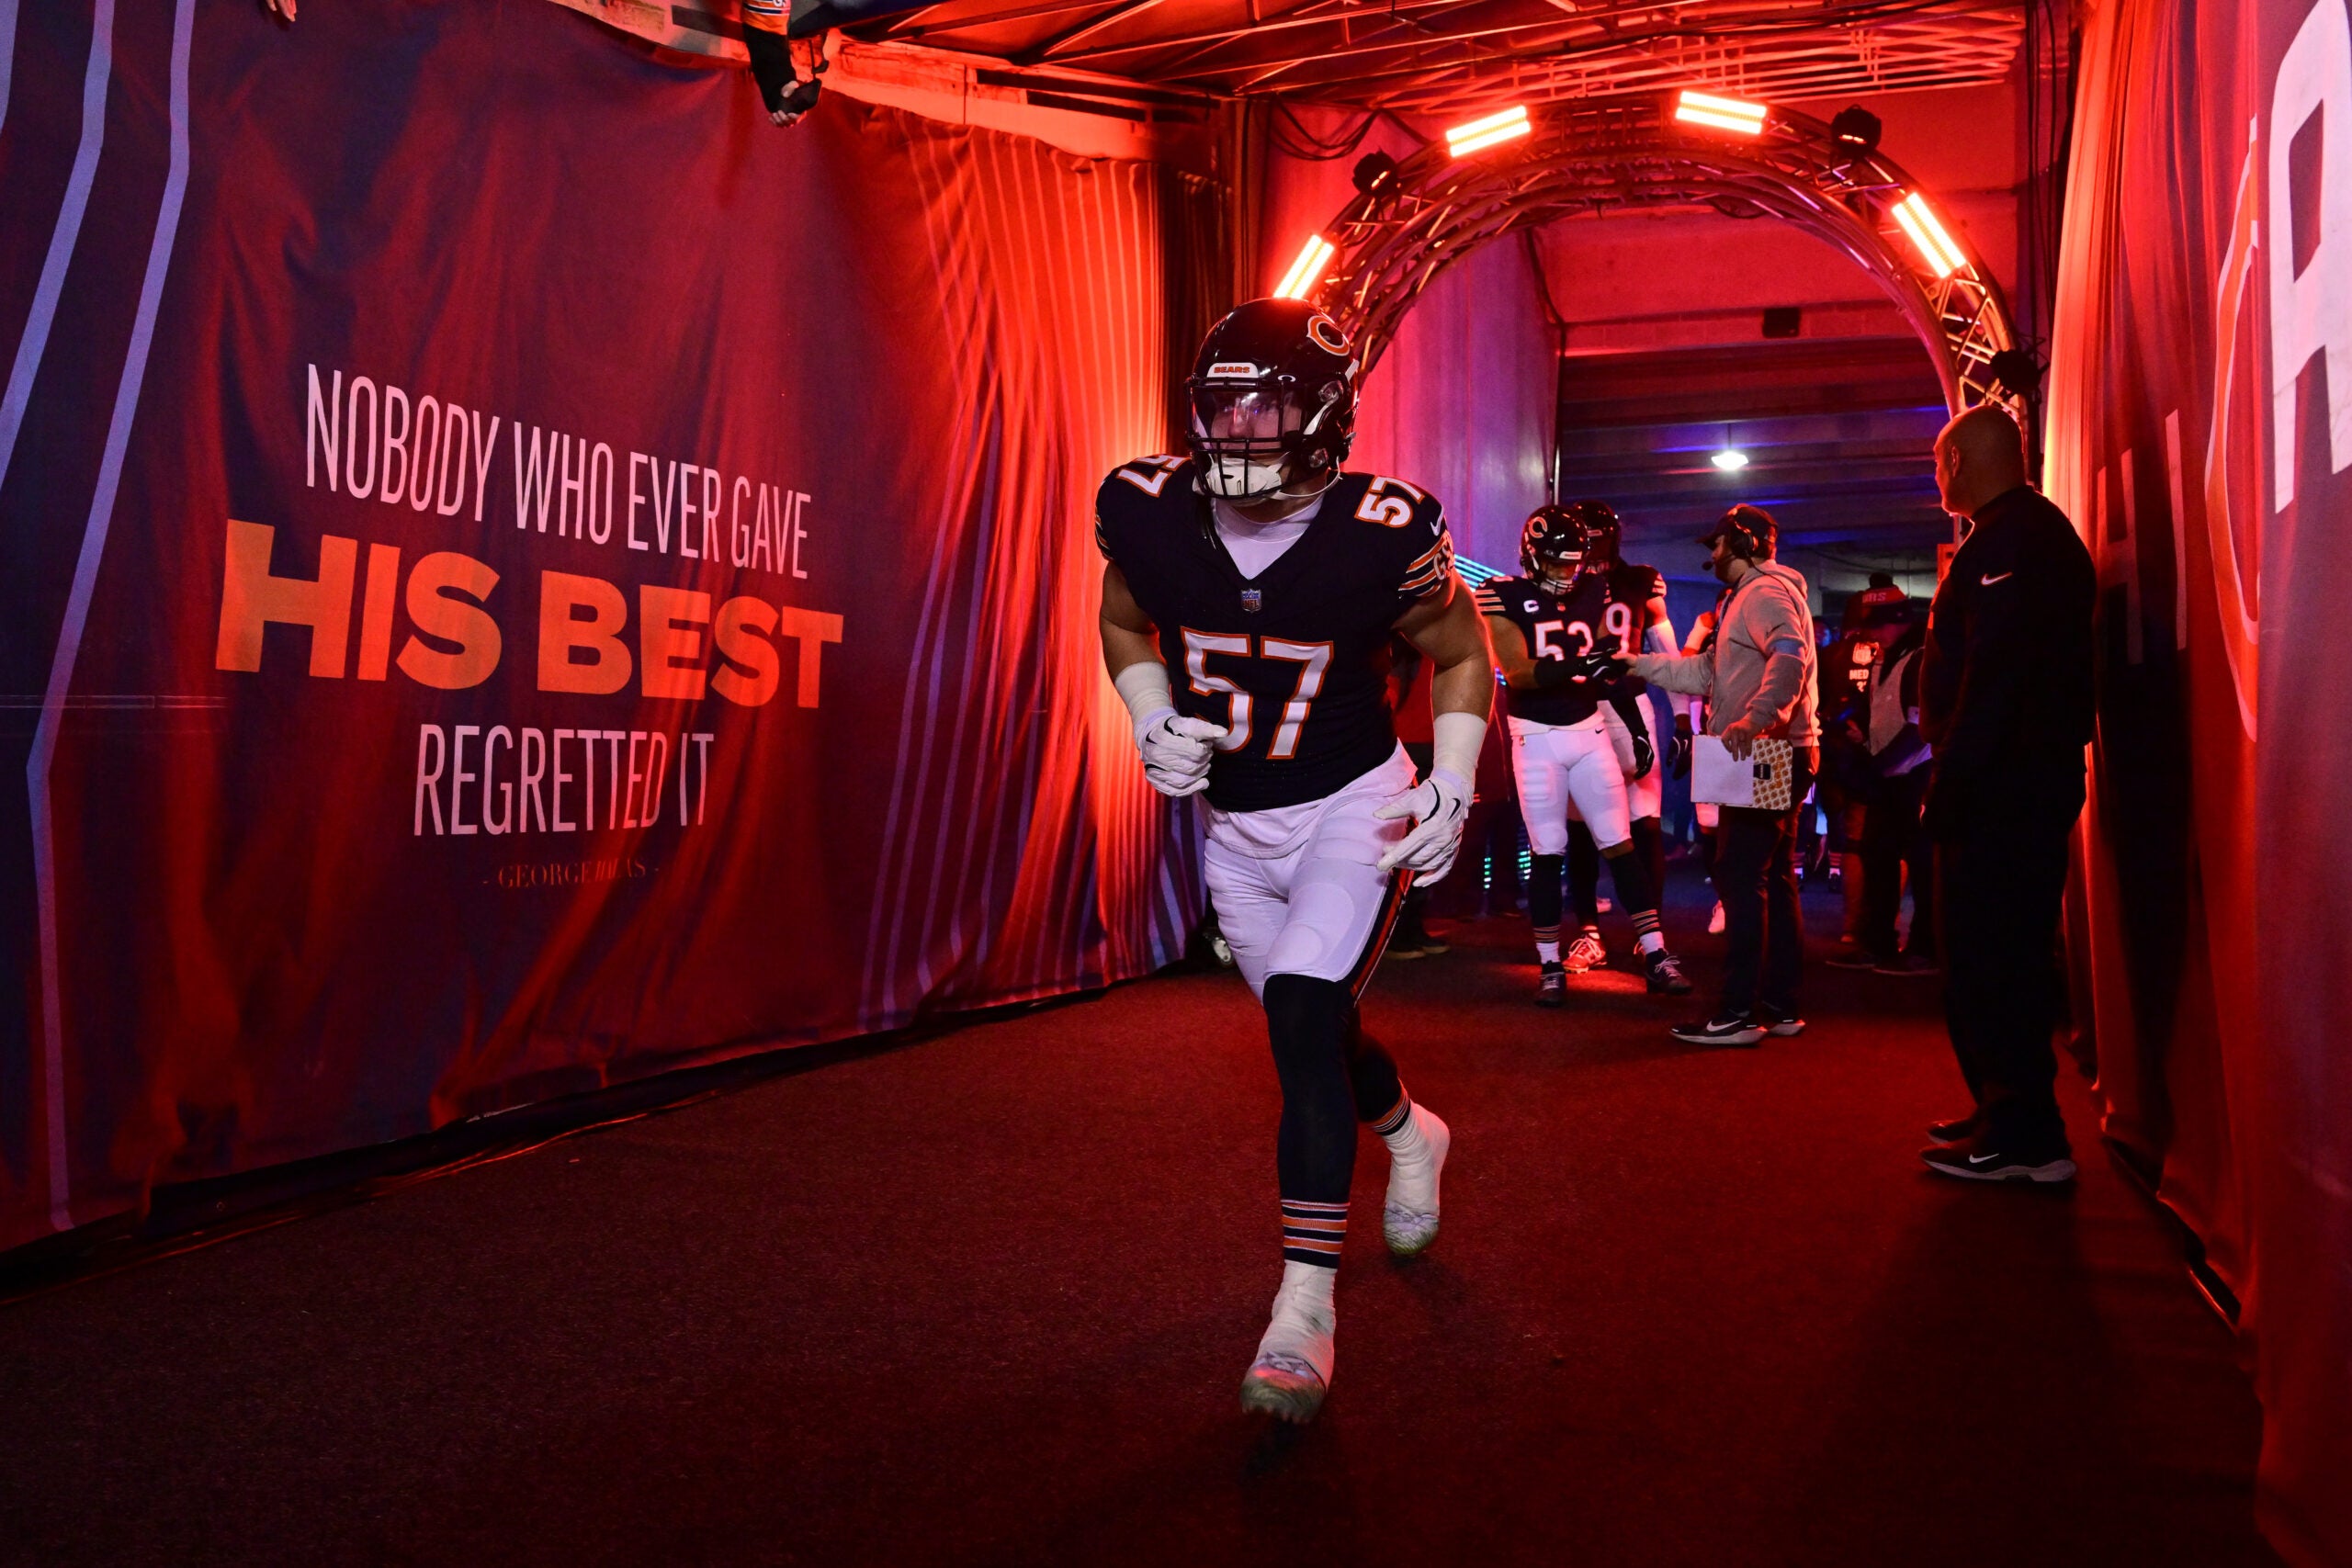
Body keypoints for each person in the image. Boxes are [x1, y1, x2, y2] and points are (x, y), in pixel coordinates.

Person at [1094, 299, 1492, 1422]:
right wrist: (1145, 711)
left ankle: (1302, 1312)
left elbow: (1461, 653)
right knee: (1310, 1031)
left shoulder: (1382, 527)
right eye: (1221, 407)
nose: (1240, 431)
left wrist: (1450, 779)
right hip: (1236, 827)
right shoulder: (1148, 505)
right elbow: (1125, 621)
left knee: (1308, 1014)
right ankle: (1412, 1133)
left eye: (1264, 405)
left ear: (1324, 415)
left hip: (1351, 808)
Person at [1915, 405, 2096, 1184]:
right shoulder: (2018, 534)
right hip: (2011, 780)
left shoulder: (2015, 541)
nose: (1936, 476)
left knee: (1994, 958)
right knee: (1991, 955)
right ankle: (2006, 1111)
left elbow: (1996, 676)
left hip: (2002, 787)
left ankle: (2023, 1132)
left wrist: (1952, 778)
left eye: (1939, 461)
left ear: (1962, 463)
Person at [1477, 503, 1692, 1007]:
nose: (1565, 573)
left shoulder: (1595, 589)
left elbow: (1603, 669)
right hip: (1536, 737)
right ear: (1532, 557)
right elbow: (1521, 672)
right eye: (1556, 563)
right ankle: (1550, 963)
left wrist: (1637, 723)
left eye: (1572, 563)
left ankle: (1656, 952)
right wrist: (1582, 661)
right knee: (1550, 849)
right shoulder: (1500, 594)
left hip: (1590, 727)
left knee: (1620, 842)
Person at [1620, 504, 1818, 1045]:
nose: (1712, 554)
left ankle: (1737, 1014)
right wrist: (1635, 663)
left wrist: (1758, 719)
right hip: (1776, 749)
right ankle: (1778, 1007)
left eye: (1718, 544)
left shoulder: (1762, 593)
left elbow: (1791, 658)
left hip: (1763, 750)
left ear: (1744, 543)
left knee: (1742, 877)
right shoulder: (1751, 596)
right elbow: (1707, 670)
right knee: (1772, 879)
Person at [1558, 505, 1683, 964]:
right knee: (1582, 823)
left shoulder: (1638, 580)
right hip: (1580, 707)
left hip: (1625, 707)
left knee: (1641, 820)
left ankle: (1647, 931)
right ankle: (1594, 930)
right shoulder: (1565, 581)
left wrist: (1686, 719)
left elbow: (1666, 657)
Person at [1826, 600, 1938, 974]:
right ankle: (1879, 943)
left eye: (1878, 627)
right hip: (1888, 774)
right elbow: (1877, 706)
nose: (1871, 635)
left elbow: (1919, 727)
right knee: (1879, 858)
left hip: (1914, 775)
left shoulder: (1921, 659)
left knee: (1921, 865)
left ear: (1900, 624)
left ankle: (1924, 949)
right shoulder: (1882, 657)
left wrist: (1877, 764)